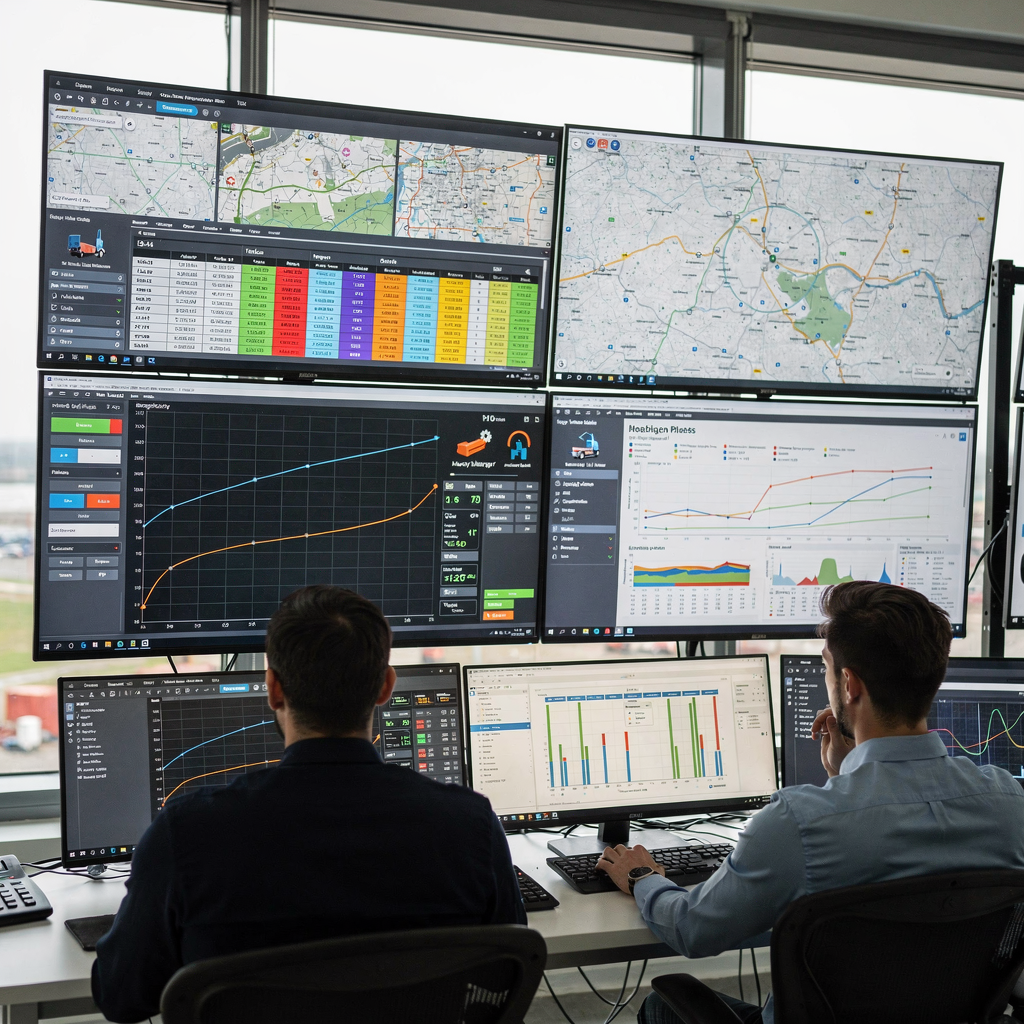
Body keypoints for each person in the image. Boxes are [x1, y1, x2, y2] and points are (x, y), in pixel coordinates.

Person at [596, 581, 1024, 1024]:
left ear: (849, 684)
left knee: (661, 1005)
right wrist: (845, 775)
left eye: (826, 667)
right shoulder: (1010, 804)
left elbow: (693, 930)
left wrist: (642, 876)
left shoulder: (799, 822)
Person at [93, 586, 525, 1023]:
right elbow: (507, 967)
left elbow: (120, 995)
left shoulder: (187, 835)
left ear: (274, 689)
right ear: (385, 686)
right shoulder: (472, 827)